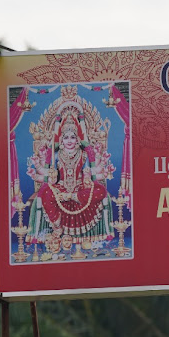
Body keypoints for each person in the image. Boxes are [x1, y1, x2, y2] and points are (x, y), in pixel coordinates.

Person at [25, 109, 115, 254]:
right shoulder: (56, 155)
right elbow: (51, 178)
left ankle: (72, 198)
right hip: (61, 188)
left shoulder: (83, 154)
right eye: (66, 137)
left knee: (101, 191)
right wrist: (52, 176)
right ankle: (57, 226)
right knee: (45, 192)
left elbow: (88, 174)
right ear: (61, 140)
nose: (69, 141)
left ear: (77, 139)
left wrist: (86, 179)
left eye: (72, 137)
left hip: (79, 190)